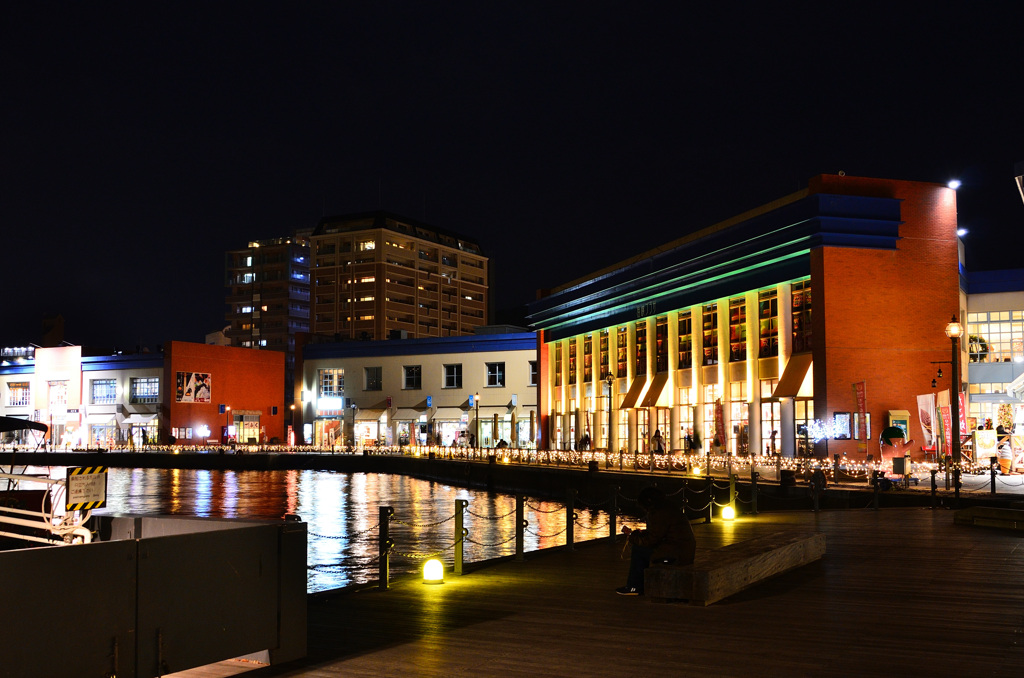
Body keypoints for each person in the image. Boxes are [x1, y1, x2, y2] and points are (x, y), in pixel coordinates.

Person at [616, 486, 696, 596]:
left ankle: (634, 586)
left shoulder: (658, 513)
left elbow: (651, 540)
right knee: (641, 549)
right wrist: (636, 533)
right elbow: (658, 533)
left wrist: (632, 537)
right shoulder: (668, 507)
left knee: (639, 550)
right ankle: (638, 585)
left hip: (676, 555)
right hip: (683, 550)